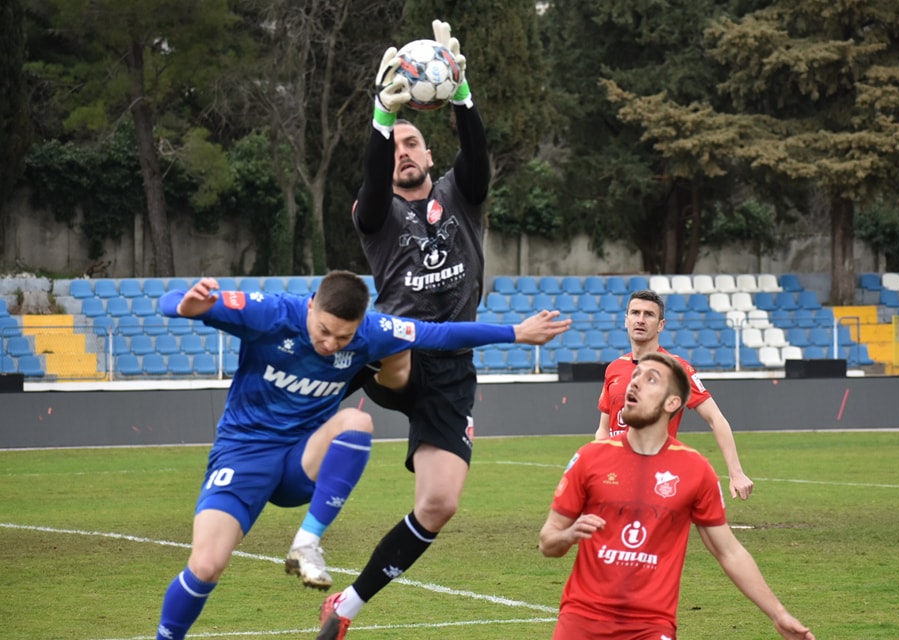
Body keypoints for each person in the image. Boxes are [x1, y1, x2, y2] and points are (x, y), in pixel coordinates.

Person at [152, 271, 569, 640]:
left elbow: (440, 335)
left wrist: (515, 332)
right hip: (243, 456)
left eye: (344, 337)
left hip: (303, 460)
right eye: (324, 330)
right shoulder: (270, 313)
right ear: (311, 305)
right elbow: (171, 303)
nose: (331, 344)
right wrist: (189, 305)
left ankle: (307, 542)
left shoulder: (375, 331)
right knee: (206, 565)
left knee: (356, 423)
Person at [317, 19, 489, 640]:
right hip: (398, 354)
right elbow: (367, 177)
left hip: (452, 374)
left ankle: (347, 608)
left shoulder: (461, 197)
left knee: (438, 504)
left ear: (430, 153)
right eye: (396, 146)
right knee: (391, 343)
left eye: (413, 142)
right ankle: (331, 399)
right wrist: (380, 117)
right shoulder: (375, 216)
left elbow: (479, 159)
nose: (404, 152)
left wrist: (463, 94)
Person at [540, 352, 816, 640]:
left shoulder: (695, 470)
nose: (634, 384)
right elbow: (548, 542)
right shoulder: (589, 458)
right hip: (582, 621)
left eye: (650, 379)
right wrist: (568, 535)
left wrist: (779, 614)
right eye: (635, 377)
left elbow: (729, 551)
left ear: (673, 403)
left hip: (651, 627)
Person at [597, 289, 755, 501]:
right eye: (635, 313)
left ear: (661, 325)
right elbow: (603, 429)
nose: (640, 320)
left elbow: (715, 418)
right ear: (626, 320)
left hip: (657, 473)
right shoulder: (614, 368)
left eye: (649, 314)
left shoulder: (676, 368)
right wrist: (599, 465)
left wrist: (736, 473)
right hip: (617, 474)